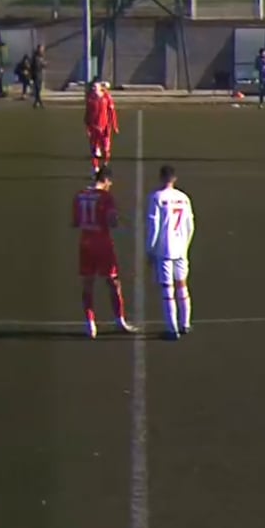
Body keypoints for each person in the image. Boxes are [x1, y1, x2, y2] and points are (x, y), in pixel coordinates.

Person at [74, 168, 136, 337]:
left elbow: (76, 221)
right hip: (102, 243)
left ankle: (90, 324)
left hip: (85, 243)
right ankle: (119, 320)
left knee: (88, 284)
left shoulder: (80, 195)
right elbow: (112, 221)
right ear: (106, 180)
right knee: (113, 282)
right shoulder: (106, 197)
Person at [146, 165, 196, 341]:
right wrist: (185, 245)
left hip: (164, 249)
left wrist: (150, 250)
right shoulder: (184, 198)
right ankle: (186, 323)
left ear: (161, 177)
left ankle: (171, 328)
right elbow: (190, 226)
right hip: (181, 248)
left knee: (167, 289)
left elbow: (154, 227)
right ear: (174, 178)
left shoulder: (156, 198)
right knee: (182, 285)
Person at [86, 81, 119, 173]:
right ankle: (95, 168)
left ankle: (105, 164)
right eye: (93, 87)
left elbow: (112, 113)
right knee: (94, 149)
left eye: (95, 87)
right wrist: (87, 127)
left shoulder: (106, 98)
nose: (94, 89)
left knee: (106, 148)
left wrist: (114, 125)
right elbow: (87, 113)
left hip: (105, 128)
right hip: (94, 128)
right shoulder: (90, 99)